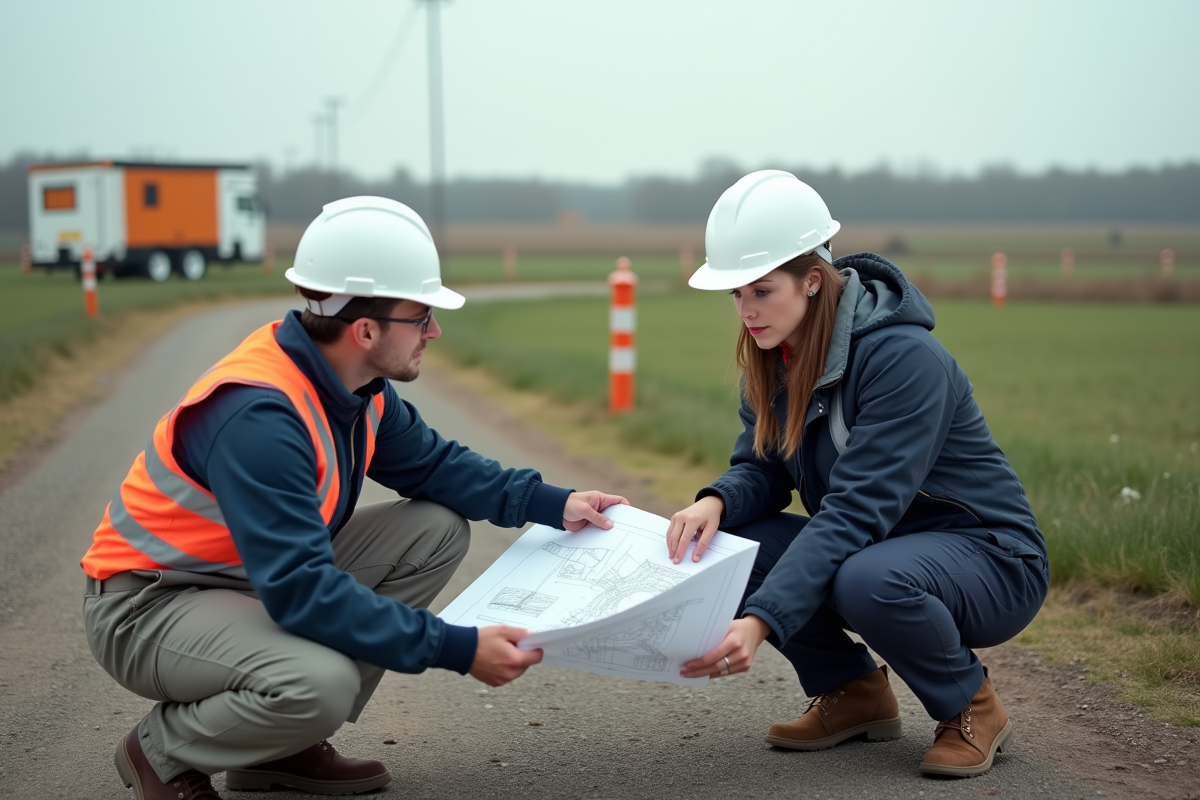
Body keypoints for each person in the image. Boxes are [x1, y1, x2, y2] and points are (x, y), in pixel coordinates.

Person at [80, 196, 627, 799]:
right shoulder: (260, 417)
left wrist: (557, 502)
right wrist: (457, 647)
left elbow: (436, 466)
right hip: (151, 603)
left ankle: (275, 749)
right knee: (319, 684)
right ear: (365, 330)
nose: (434, 331)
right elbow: (300, 591)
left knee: (436, 528)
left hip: (242, 581)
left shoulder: (359, 385)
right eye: (421, 316)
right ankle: (160, 751)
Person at [665, 171, 1048, 778]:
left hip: (991, 559)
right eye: (736, 295)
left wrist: (761, 621)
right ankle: (853, 692)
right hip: (885, 550)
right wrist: (715, 502)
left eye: (761, 291)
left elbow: (855, 511)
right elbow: (763, 471)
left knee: (867, 577)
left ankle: (971, 706)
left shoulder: (903, 359)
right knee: (733, 544)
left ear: (813, 280)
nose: (746, 313)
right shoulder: (775, 358)